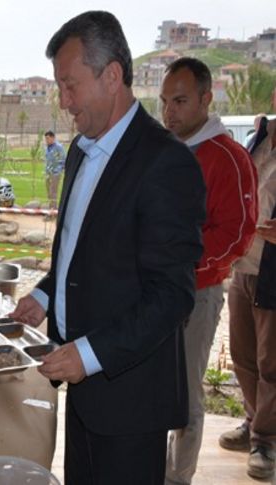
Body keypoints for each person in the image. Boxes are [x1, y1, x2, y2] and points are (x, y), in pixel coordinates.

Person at [10, 11, 206, 485]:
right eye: (59, 87)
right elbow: (79, 251)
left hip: (130, 396)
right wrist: (44, 294)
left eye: (70, 85)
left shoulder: (166, 163)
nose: (64, 102)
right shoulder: (81, 150)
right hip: (83, 392)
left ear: (112, 76)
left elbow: (171, 296)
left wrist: (89, 354)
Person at [159, 57, 259, 485]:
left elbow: (238, 233)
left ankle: (178, 478)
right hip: (154, 292)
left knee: (185, 394)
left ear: (206, 98)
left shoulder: (228, 157)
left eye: (180, 101)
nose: (169, 112)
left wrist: (178, 264)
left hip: (196, 293)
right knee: (158, 388)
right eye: (165, 101)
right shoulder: (165, 149)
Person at [218, 116, 276, 481]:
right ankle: (254, 422)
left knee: (271, 362)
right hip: (244, 264)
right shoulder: (261, 135)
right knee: (242, 355)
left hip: (273, 271)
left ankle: (265, 442)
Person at [43, 130, 66, 211]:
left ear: (53, 138)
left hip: (55, 173)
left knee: (53, 192)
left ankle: (53, 211)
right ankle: (51, 208)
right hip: (48, 172)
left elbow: (63, 159)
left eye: (48, 138)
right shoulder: (46, 147)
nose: (46, 140)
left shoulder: (59, 147)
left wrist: (58, 170)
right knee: (49, 192)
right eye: (45, 139)